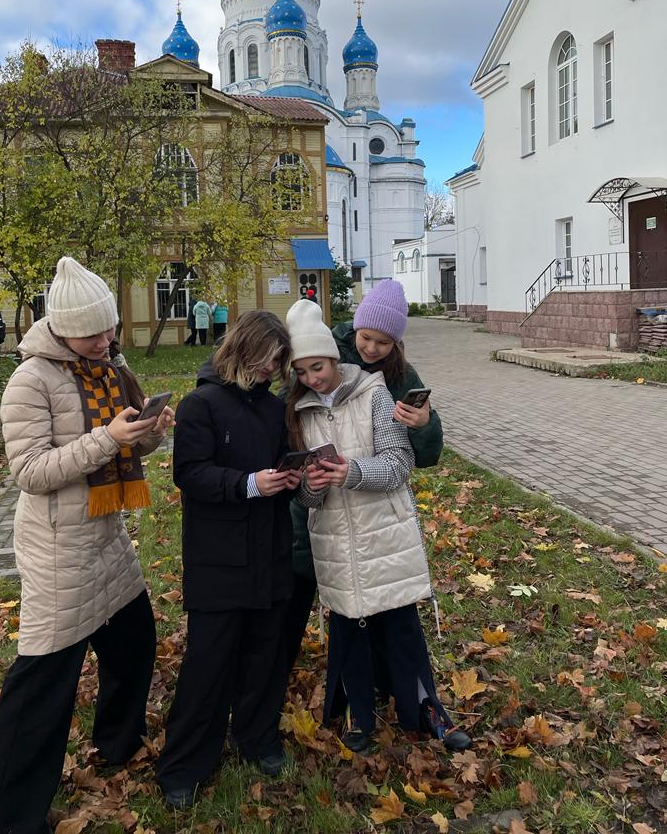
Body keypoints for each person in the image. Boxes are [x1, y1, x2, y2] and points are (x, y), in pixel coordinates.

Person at [0, 257, 175, 834]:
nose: (107, 341)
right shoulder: (30, 381)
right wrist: (106, 439)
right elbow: (30, 472)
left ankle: (117, 744)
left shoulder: (110, 367)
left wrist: (148, 434)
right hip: (59, 547)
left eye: (110, 328)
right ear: (63, 328)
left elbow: (126, 447)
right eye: (94, 333)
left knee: (135, 643)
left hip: (106, 534)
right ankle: (9, 820)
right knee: (42, 687)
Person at [285, 298, 471, 754]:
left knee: (400, 619)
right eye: (302, 371)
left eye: (318, 367)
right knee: (349, 625)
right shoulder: (297, 411)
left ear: (335, 358)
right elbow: (303, 496)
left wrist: (351, 472)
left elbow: (400, 463)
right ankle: (357, 710)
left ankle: (424, 706)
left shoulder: (375, 392)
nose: (313, 378)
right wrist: (310, 485)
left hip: (384, 531)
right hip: (333, 538)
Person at [156, 311, 301, 808]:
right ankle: (185, 762)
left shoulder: (275, 408)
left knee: (265, 655)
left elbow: (280, 467)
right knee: (209, 663)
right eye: (267, 359)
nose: (271, 369)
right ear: (243, 349)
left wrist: (291, 479)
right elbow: (190, 473)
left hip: (270, 550)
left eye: (279, 362)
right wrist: (248, 484)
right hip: (218, 557)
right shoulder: (201, 404)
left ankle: (257, 738)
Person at [285, 278, 444, 681]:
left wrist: (423, 424)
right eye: (367, 337)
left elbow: (419, 456)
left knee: (383, 601)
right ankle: (285, 674)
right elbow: (292, 409)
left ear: (396, 344)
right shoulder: (322, 353)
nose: (372, 349)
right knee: (304, 585)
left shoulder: (399, 377)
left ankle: (388, 683)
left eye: (384, 342)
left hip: (372, 511)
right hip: (319, 507)